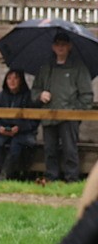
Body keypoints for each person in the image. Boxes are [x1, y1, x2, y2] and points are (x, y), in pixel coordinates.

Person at [33, 31, 94, 182]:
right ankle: (51, 178)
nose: (60, 47)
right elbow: (34, 90)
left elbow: (87, 96)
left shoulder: (79, 68)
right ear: (53, 47)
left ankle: (71, 179)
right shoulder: (45, 68)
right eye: (58, 44)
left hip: (69, 118)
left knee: (70, 150)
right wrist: (40, 95)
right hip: (48, 115)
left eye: (64, 44)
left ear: (69, 46)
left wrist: (74, 111)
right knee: (50, 150)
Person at [0, 69, 38, 180]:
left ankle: (11, 175)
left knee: (19, 145)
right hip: (2, 131)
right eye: (9, 78)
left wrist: (19, 127)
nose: (12, 81)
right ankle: (2, 175)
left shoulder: (29, 97)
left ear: (21, 80)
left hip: (23, 132)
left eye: (15, 78)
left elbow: (34, 120)